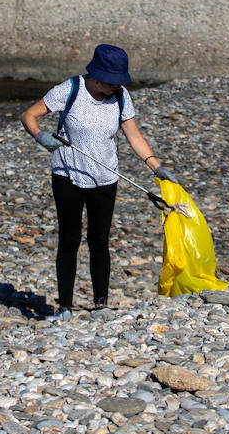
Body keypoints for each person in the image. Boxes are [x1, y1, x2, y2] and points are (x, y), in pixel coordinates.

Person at [20, 44, 174, 321]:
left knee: (99, 241)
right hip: (68, 174)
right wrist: (40, 137)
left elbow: (134, 136)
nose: (114, 87)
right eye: (110, 82)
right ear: (95, 73)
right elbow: (29, 115)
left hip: (105, 177)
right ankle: (65, 307)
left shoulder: (121, 97)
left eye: (119, 82)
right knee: (69, 240)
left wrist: (156, 166)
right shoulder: (70, 90)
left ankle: (100, 304)